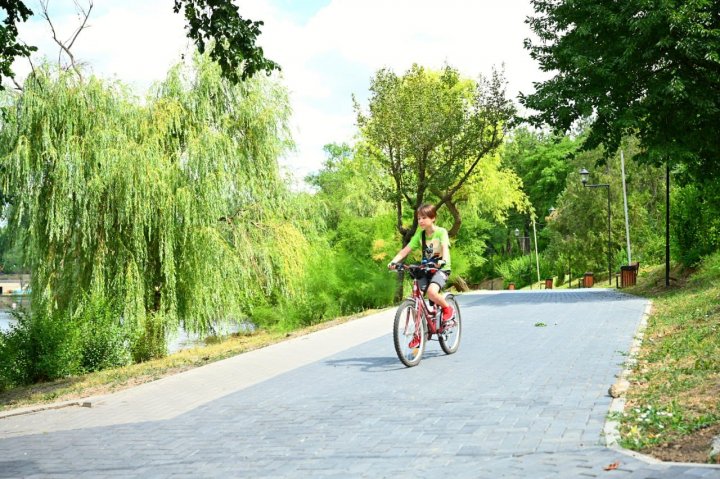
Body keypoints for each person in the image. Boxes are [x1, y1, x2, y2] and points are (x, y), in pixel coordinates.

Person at [388, 204, 455, 347]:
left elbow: (444, 248)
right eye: (419, 218)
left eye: (424, 217)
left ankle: (447, 308)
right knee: (415, 300)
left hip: (441, 269)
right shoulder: (420, 235)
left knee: (431, 293)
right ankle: (419, 333)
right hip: (425, 268)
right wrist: (394, 261)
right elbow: (406, 250)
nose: (421, 221)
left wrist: (444, 261)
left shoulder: (441, 232)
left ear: (433, 218)